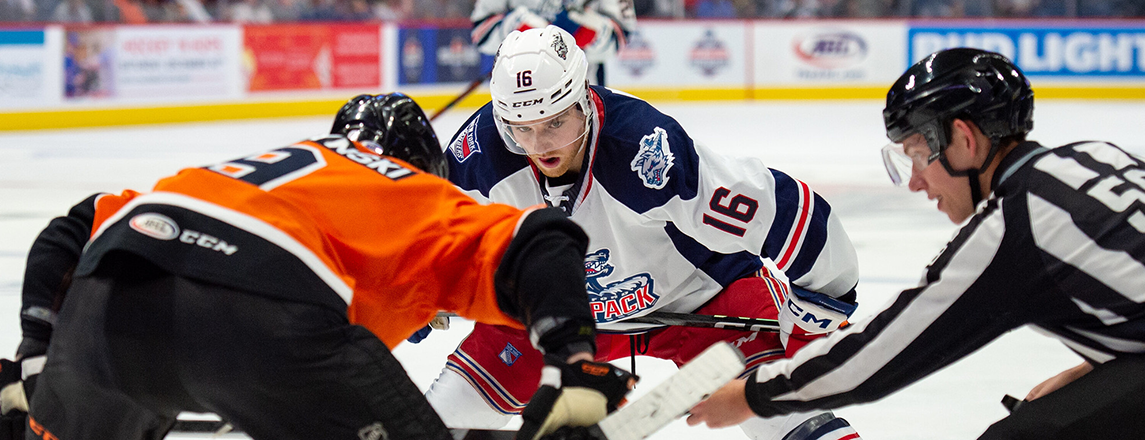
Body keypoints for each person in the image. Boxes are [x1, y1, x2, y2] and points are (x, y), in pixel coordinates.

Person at [0, 93, 635, 440]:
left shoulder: (249, 169)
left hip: (108, 301)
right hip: (260, 323)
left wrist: (36, 358)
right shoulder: (415, 192)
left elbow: (73, 227)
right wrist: (573, 361)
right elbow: (545, 237)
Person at [427, 26, 863, 440]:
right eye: (522, 130)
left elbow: (783, 211)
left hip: (698, 301)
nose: (540, 147)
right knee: (429, 425)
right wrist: (423, 295)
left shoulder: (645, 151)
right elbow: (426, 242)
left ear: (583, 99)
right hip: (556, 318)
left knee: (786, 420)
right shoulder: (479, 156)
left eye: (555, 124)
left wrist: (818, 307)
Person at [686, 47, 1145, 439]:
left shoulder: (1011, 226)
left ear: (964, 140)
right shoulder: (1099, 156)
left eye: (917, 155)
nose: (916, 183)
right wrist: (1096, 369)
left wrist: (754, 396)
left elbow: (884, 352)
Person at [470, 0, 634, 85]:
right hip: (518, 85)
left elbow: (622, 34)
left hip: (585, 85)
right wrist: (515, 27)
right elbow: (481, 32)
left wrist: (597, 33)